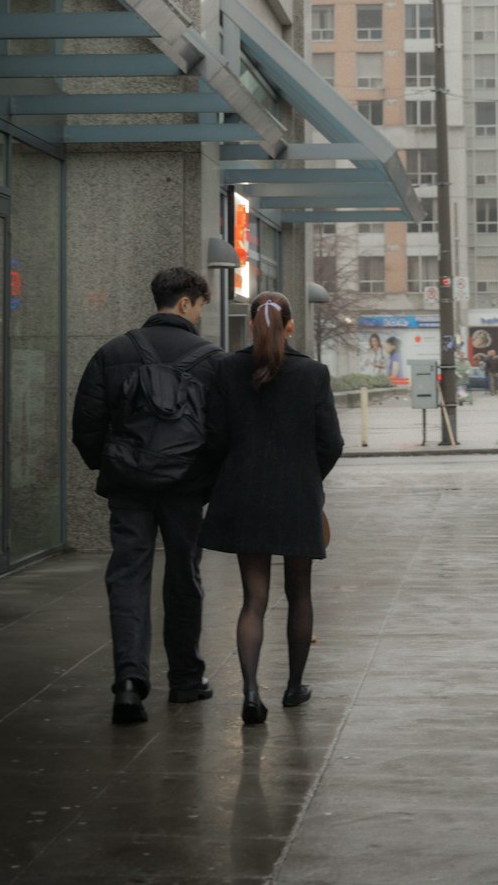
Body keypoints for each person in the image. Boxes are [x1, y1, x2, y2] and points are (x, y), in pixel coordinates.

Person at [72, 266, 222, 725]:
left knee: (128, 575)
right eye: (199, 307)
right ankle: (185, 679)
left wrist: (117, 464)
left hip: (130, 487)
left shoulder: (112, 352)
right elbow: (223, 432)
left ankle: (130, 683)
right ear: (185, 303)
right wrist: (204, 477)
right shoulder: (212, 359)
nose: (199, 316)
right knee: (184, 575)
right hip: (185, 487)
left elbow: (87, 426)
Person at [201, 291, 344, 725]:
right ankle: (293, 687)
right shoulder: (312, 373)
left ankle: (249, 691)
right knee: (299, 592)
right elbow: (331, 442)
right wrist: (308, 477)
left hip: (243, 495)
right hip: (297, 496)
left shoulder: (225, 369)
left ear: (249, 325)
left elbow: (214, 437)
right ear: (291, 325)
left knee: (254, 598)